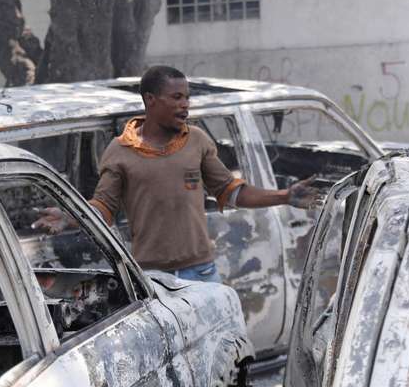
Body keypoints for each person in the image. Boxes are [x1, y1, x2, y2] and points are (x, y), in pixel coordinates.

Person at [33, 65, 318, 283]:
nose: (185, 104)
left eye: (187, 97)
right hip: (154, 280)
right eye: (177, 97)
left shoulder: (196, 140)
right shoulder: (120, 150)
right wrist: (72, 216)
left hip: (203, 274)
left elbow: (231, 191)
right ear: (151, 100)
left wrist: (285, 196)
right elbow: (104, 208)